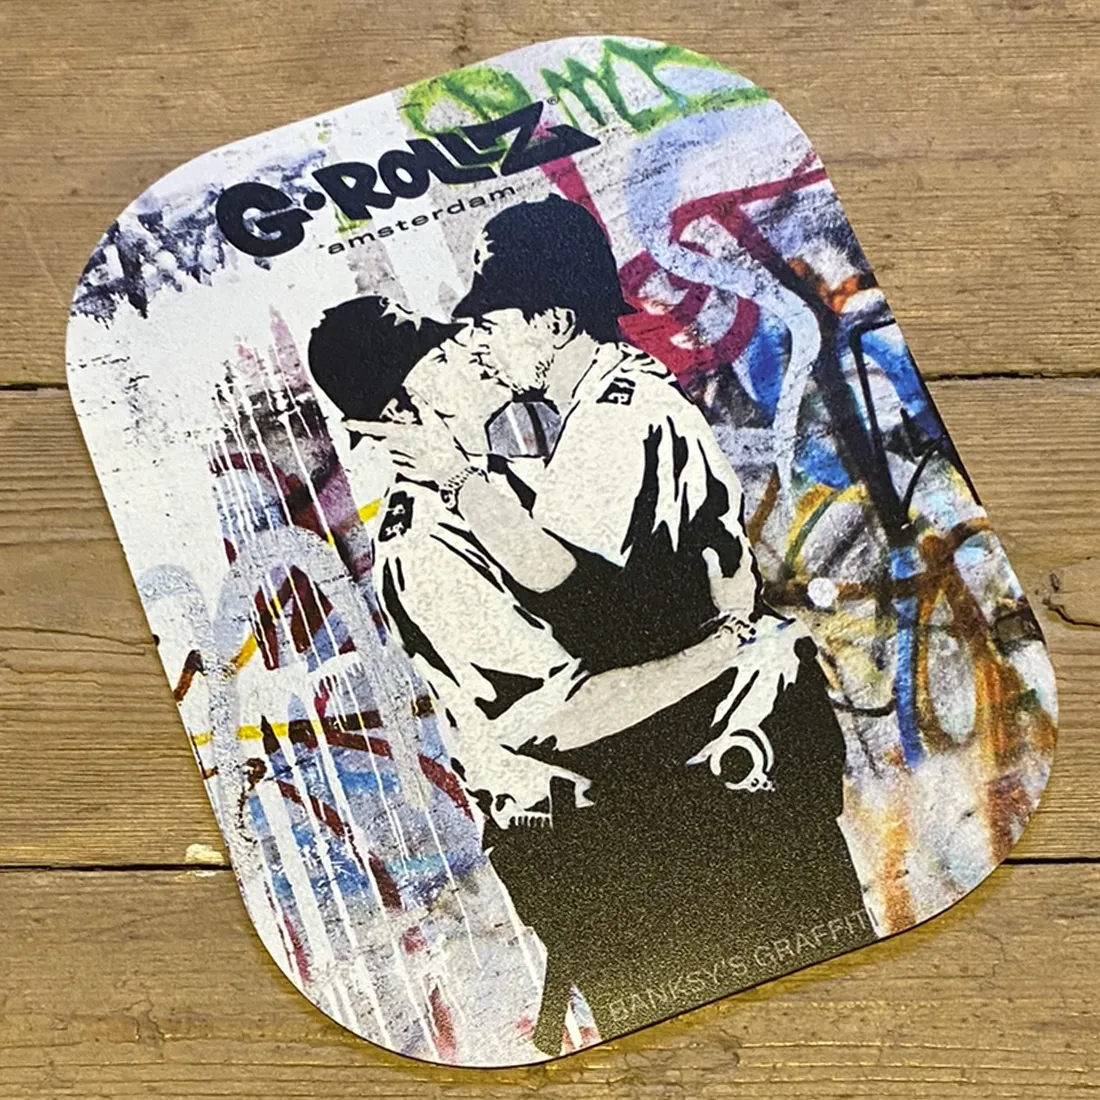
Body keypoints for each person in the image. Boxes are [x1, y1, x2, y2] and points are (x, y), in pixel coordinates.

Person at [308, 295, 783, 1051]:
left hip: (679, 808)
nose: (470, 351)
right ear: (401, 414)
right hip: (601, 854)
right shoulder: (426, 549)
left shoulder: (508, 480)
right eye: (442, 354)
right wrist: (731, 647)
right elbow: (564, 717)